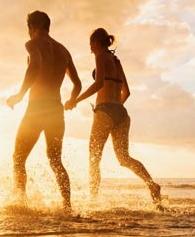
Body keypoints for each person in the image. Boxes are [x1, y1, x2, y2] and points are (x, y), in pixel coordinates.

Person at [64, 28, 161, 204]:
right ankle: (151, 184)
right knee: (124, 158)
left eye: (90, 45)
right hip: (122, 113)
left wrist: (76, 100)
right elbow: (127, 92)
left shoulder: (100, 56)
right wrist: (116, 109)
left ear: (96, 42)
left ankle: (92, 200)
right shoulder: (116, 60)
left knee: (94, 158)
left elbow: (99, 83)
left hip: (105, 111)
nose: (90, 49)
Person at [7, 11, 81, 211]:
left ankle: (21, 204)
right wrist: (72, 99)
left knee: (18, 158)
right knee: (56, 161)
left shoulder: (33, 43)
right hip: (56, 110)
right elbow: (78, 84)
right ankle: (67, 207)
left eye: (28, 28)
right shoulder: (63, 51)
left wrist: (20, 94)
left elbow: (37, 64)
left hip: (37, 109)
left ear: (33, 26)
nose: (29, 33)